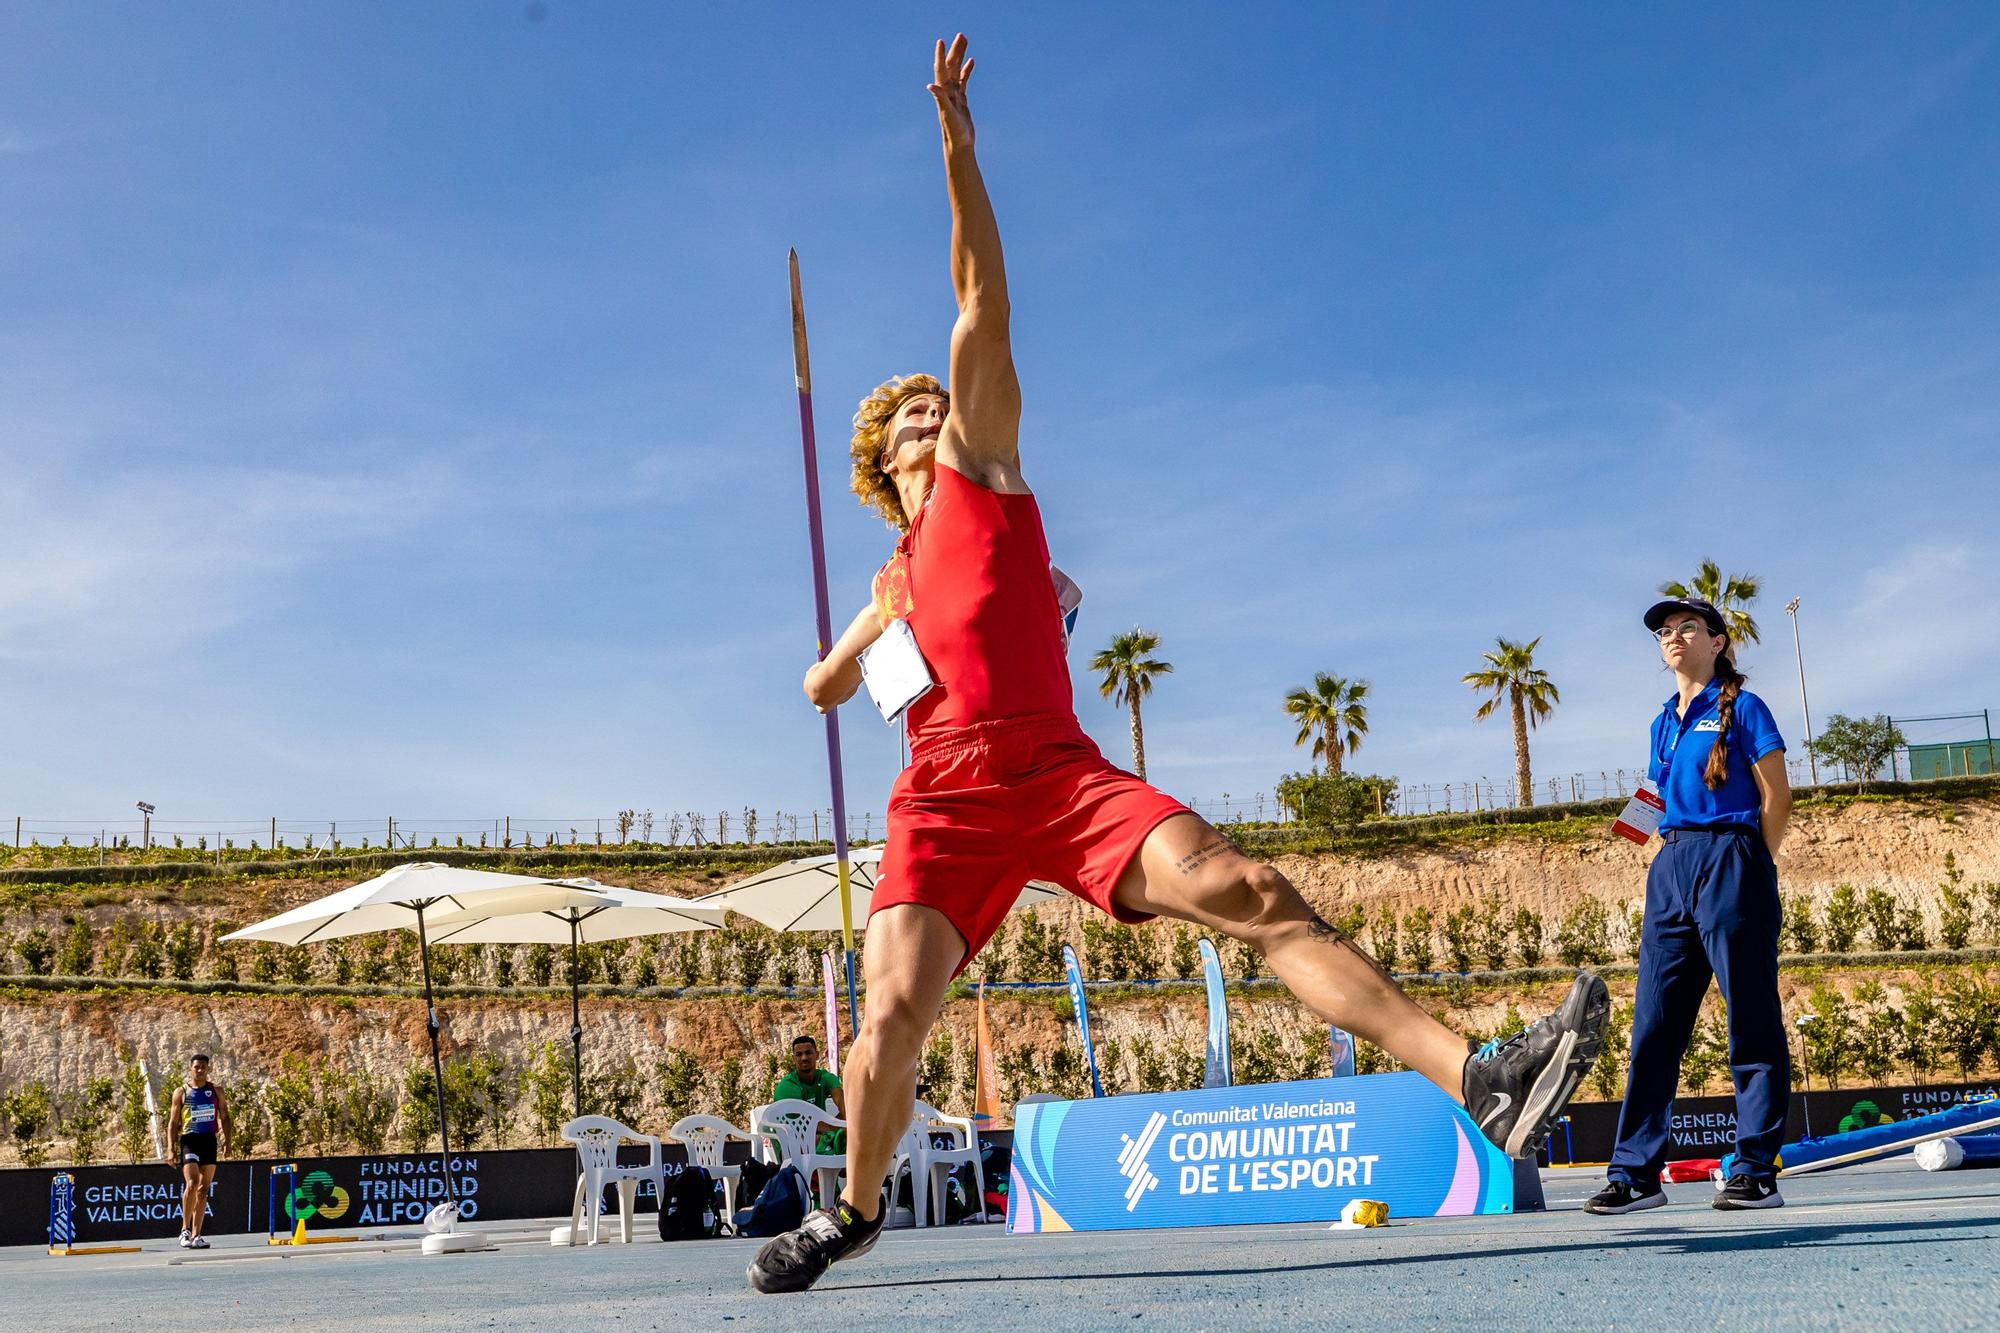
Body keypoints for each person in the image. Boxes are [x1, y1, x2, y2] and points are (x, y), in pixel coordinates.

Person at [748, 35, 1611, 1294]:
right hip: (940, 795)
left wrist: (958, 150)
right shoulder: (892, 574)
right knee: (888, 1014)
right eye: (916, 416)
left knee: (1255, 891)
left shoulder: (988, 480)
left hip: (1058, 770)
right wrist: (870, 627)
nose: (941, 412)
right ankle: (854, 1210)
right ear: (883, 461)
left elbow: (980, 299)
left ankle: (1475, 1074)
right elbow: (820, 692)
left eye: (944, 402)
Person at [1585, 596, 1793, 1216]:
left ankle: (1756, 1169)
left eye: (1687, 628)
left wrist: (1754, 862)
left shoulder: (1745, 707)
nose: (1673, 638)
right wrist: (1629, 835)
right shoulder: (1662, 721)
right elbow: (1655, 790)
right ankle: (1636, 1175)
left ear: (1717, 641)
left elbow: (1777, 794)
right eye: (1664, 633)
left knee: (1750, 1017)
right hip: (1670, 866)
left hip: (1732, 857)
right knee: (1653, 1025)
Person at [164, 1053, 231, 1249]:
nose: (200, 1070)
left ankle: (197, 1235)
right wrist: (170, 1148)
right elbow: (173, 1122)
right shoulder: (181, 1092)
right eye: (196, 1067)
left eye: (203, 1067)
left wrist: (228, 1142)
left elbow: (225, 1117)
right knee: (192, 1183)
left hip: (209, 1141)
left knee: (203, 1189)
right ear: (190, 1068)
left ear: (208, 1069)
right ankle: (184, 1230)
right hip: (190, 1140)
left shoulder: (216, 1091)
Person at [773, 1035, 845, 1117]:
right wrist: (840, 1126)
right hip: (795, 1128)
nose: (804, 1058)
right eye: (799, 1054)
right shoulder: (787, 1086)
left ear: (817, 1055)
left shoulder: (825, 1077)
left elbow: (844, 1107)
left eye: (808, 1053)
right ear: (793, 1059)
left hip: (819, 1127)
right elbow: (806, 1123)